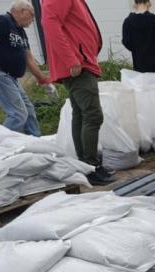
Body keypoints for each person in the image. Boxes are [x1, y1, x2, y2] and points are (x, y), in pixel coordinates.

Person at [42, 0, 114, 185]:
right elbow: (50, 24)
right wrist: (71, 59)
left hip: (81, 61)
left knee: (81, 114)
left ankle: (86, 164)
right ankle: (90, 165)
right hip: (78, 65)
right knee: (92, 115)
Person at [0, 0, 53, 137]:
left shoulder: (21, 33)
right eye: (32, 15)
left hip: (11, 77)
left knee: (29, 110)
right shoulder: (2, 21)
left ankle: (35, 141)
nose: (33, 20)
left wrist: (44, 81)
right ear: (22, 11)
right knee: (18, 114)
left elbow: (29, 59)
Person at [122, 0, 155, 83]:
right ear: (148, 3)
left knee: (144, 95)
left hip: (140, 68)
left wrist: (138, 49)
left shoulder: (128, 22)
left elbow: (126, 42)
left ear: (135, 4)